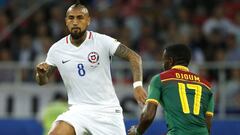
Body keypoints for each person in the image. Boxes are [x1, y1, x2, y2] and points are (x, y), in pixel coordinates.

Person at [35, 1, 147, 135]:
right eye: (71, 18)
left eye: (80, 17)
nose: (75, 22)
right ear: (66, 21)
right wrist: (41, 74)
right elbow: (43, 81)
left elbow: (134, 57)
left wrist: (137, 85)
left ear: (88, 21)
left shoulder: (102, 41)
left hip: (107, 112)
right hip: (78, 111)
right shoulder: (56, 49)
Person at [128, 44, 214, 135]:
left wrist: (137, 131)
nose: (162, 64)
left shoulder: (160, 79)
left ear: (170, 61)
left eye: (163, 60)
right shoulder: (207, 86)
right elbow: (207, 125)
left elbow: (148, 116)